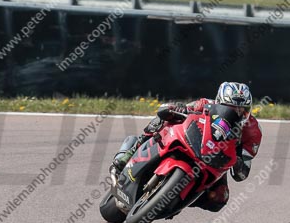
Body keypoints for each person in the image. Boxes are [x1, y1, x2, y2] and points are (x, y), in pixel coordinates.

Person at [111, 82, 262, 212]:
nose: (236, 114)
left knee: (219, 198)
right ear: (219, 102)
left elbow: (242, 174)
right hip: (193, 140)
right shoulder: (205, 104)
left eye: (242, 110)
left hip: (217, 160)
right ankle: (131, 151)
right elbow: (180, 109)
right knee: (164, 118)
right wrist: (177, 108)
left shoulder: (253, 132)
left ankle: (176, 200)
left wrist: (237, 161)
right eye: (230, 108)